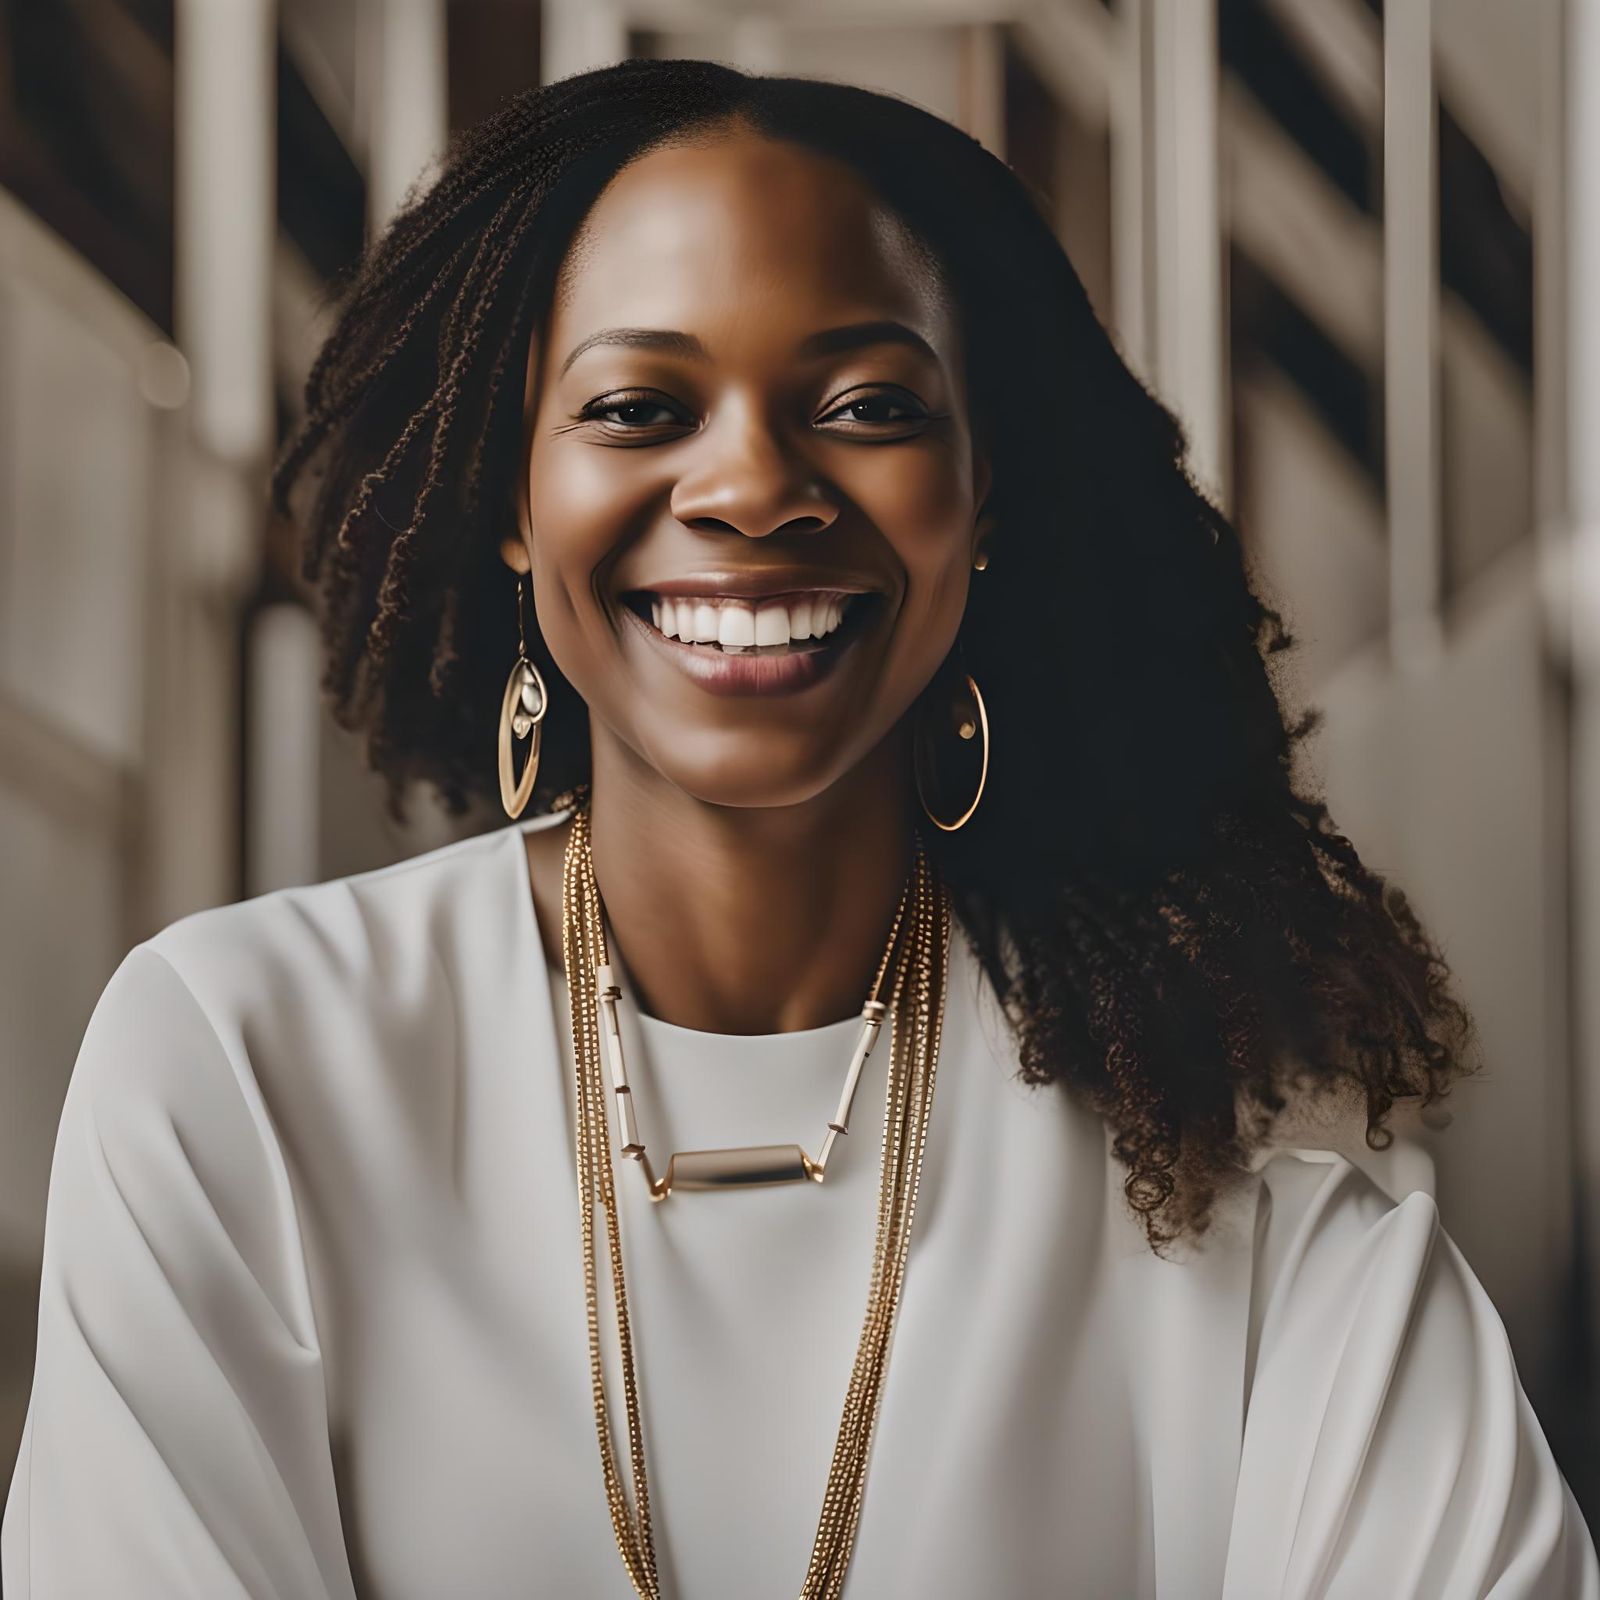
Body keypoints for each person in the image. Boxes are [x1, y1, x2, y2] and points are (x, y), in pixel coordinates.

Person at [4, 57, 1595, 1599]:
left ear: (987, 499)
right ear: (509, 494)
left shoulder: (1246, 1193)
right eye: (636, 405)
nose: (753, 485)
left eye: (864, 403)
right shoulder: (243, 1069)